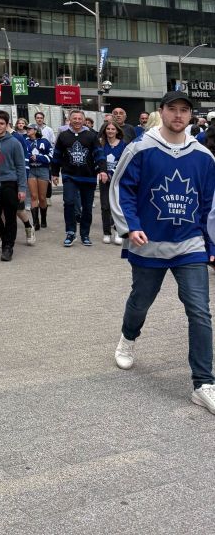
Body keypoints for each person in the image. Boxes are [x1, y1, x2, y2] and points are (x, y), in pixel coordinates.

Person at [110, 90, 215, 415]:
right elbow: (121, 188)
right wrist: (130, 226)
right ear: (162, 111)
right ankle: (128, 337)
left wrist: (211, 245)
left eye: (185, 110)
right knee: (141, 301)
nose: (179, 115)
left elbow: (210, 204)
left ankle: (203, 383)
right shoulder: (140, 148)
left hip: (190, 246)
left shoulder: (204, 157)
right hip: (148, 243)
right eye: (173, 109)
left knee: (199, 311)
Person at [51, 109, 108, 247]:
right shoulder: (63, 135)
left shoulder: (91, 136)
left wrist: (102, 170)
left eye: (79, 118)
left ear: (84, 120)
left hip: (88, 176)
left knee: (87, 207)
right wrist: (54, 173)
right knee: (69, 202)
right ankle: (70, 232)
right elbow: (57, 155)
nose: (77, 121)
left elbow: (99, 154)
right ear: (69, 120)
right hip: (69, 175)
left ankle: (85, 234)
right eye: (74, 118)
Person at [0, 111, 29, 261]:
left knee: (10, 216)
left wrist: (22, 188)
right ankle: (6, 238)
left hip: (10, 183)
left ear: (7, 125)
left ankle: (8, 247)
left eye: (2, 123)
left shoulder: (14, 143)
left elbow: (20, 167)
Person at [97, 119, 127, 245]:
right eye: (108, 129)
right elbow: (97, 160)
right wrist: (102, 172)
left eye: (113, 129)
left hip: (118, 180)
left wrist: (112, 173)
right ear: (105, 130)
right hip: (104, 179)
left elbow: (123, 162)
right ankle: (106, 232)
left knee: (118, 206)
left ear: (117, 131)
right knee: (105, 206)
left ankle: (118, 232)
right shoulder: (100, 144)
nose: (110, 131)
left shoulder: (123, 145)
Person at [25, 123, 52, 231]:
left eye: (29, 129)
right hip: (31, 170)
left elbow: (51, 156)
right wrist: (31, 158)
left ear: (35, 130)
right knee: (33, 196)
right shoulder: (25, 141)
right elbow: (23, 155)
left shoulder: (44, 142)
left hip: (43, 170)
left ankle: (44, 219)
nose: (27, 130)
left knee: (42, 197)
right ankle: (36, 222)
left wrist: (38, 157)